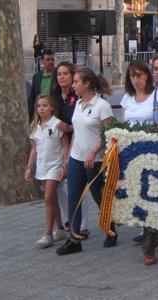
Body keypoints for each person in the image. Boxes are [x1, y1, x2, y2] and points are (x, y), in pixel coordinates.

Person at [56, 69, 115, 256]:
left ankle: (110, 228)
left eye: (76, 81)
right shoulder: (78, 103)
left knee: (98, 195)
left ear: (87, 84)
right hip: (76, 158)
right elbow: (78, 132)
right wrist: (68, 157)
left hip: (94, 160)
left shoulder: (102, 105)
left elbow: (110, 134)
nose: (73, 85)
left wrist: (93, 152)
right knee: (74, 196)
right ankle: (74, 239)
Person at [121, 60, 158, 265]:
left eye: (139, 75)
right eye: (132, 76)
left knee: (151, 197)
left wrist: (144, 137)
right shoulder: (126, 98)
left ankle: (148, 247)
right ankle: (155, 230)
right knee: (139, 197)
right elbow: (123, 126)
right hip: (132, 155)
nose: (136, 80)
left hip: (154, 153)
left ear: (147, 76)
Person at [51, 61, 91, 239]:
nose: (62, 77)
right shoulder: (55, 95)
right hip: (57, 144)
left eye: (65, 74)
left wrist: (69, 128)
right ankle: (69, 219)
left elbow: (81, 122)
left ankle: (81, 224)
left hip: (76, 142)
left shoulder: (78, 97)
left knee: (77, 184)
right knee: (58, 184)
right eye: (59, 74)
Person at [25, 94, 69, 248]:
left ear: (51, 107)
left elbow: (65, 145)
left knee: (48, 197)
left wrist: (65, 164)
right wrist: (30, 167)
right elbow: (34, 149)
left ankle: (48, 233)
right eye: (39, 106)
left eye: (45, 105)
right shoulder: (36, 127)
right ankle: (61, 228)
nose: (41, 109)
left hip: (55, 166)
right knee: (52, 199)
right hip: (42, 166)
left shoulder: (57, 124)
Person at [28, 49, 56, 119]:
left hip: (55, 114)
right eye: (48, 59)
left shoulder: (58, 76)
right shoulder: (36, 77)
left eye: (52, 59)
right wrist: (31, 119)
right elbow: (33, 98)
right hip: (40, 115)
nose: (51, 62)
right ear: (42, 61)